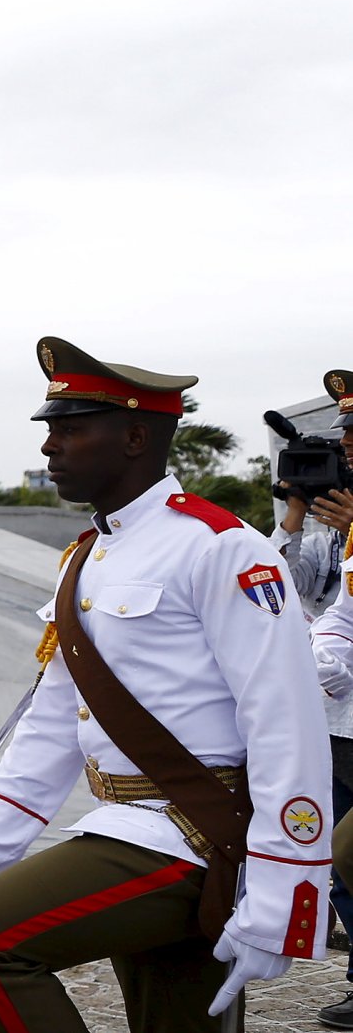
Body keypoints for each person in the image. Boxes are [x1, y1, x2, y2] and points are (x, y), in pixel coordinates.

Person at [0, 336, 332, 1032]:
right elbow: (53, 713)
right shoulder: (88, 555)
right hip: (130, 823)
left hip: (195, 835)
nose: (50, 447)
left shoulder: (221, 547)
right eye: (51, 430)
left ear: (135, 437)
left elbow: (285, 721)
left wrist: (285, 891)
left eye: (70, 430)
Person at [307, 367, 353, 1031]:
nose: (348, 444)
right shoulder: (338, 515)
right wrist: (299, 517)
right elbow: (302, 592)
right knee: (339, 864)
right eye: (345, 433)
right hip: (337, 723)